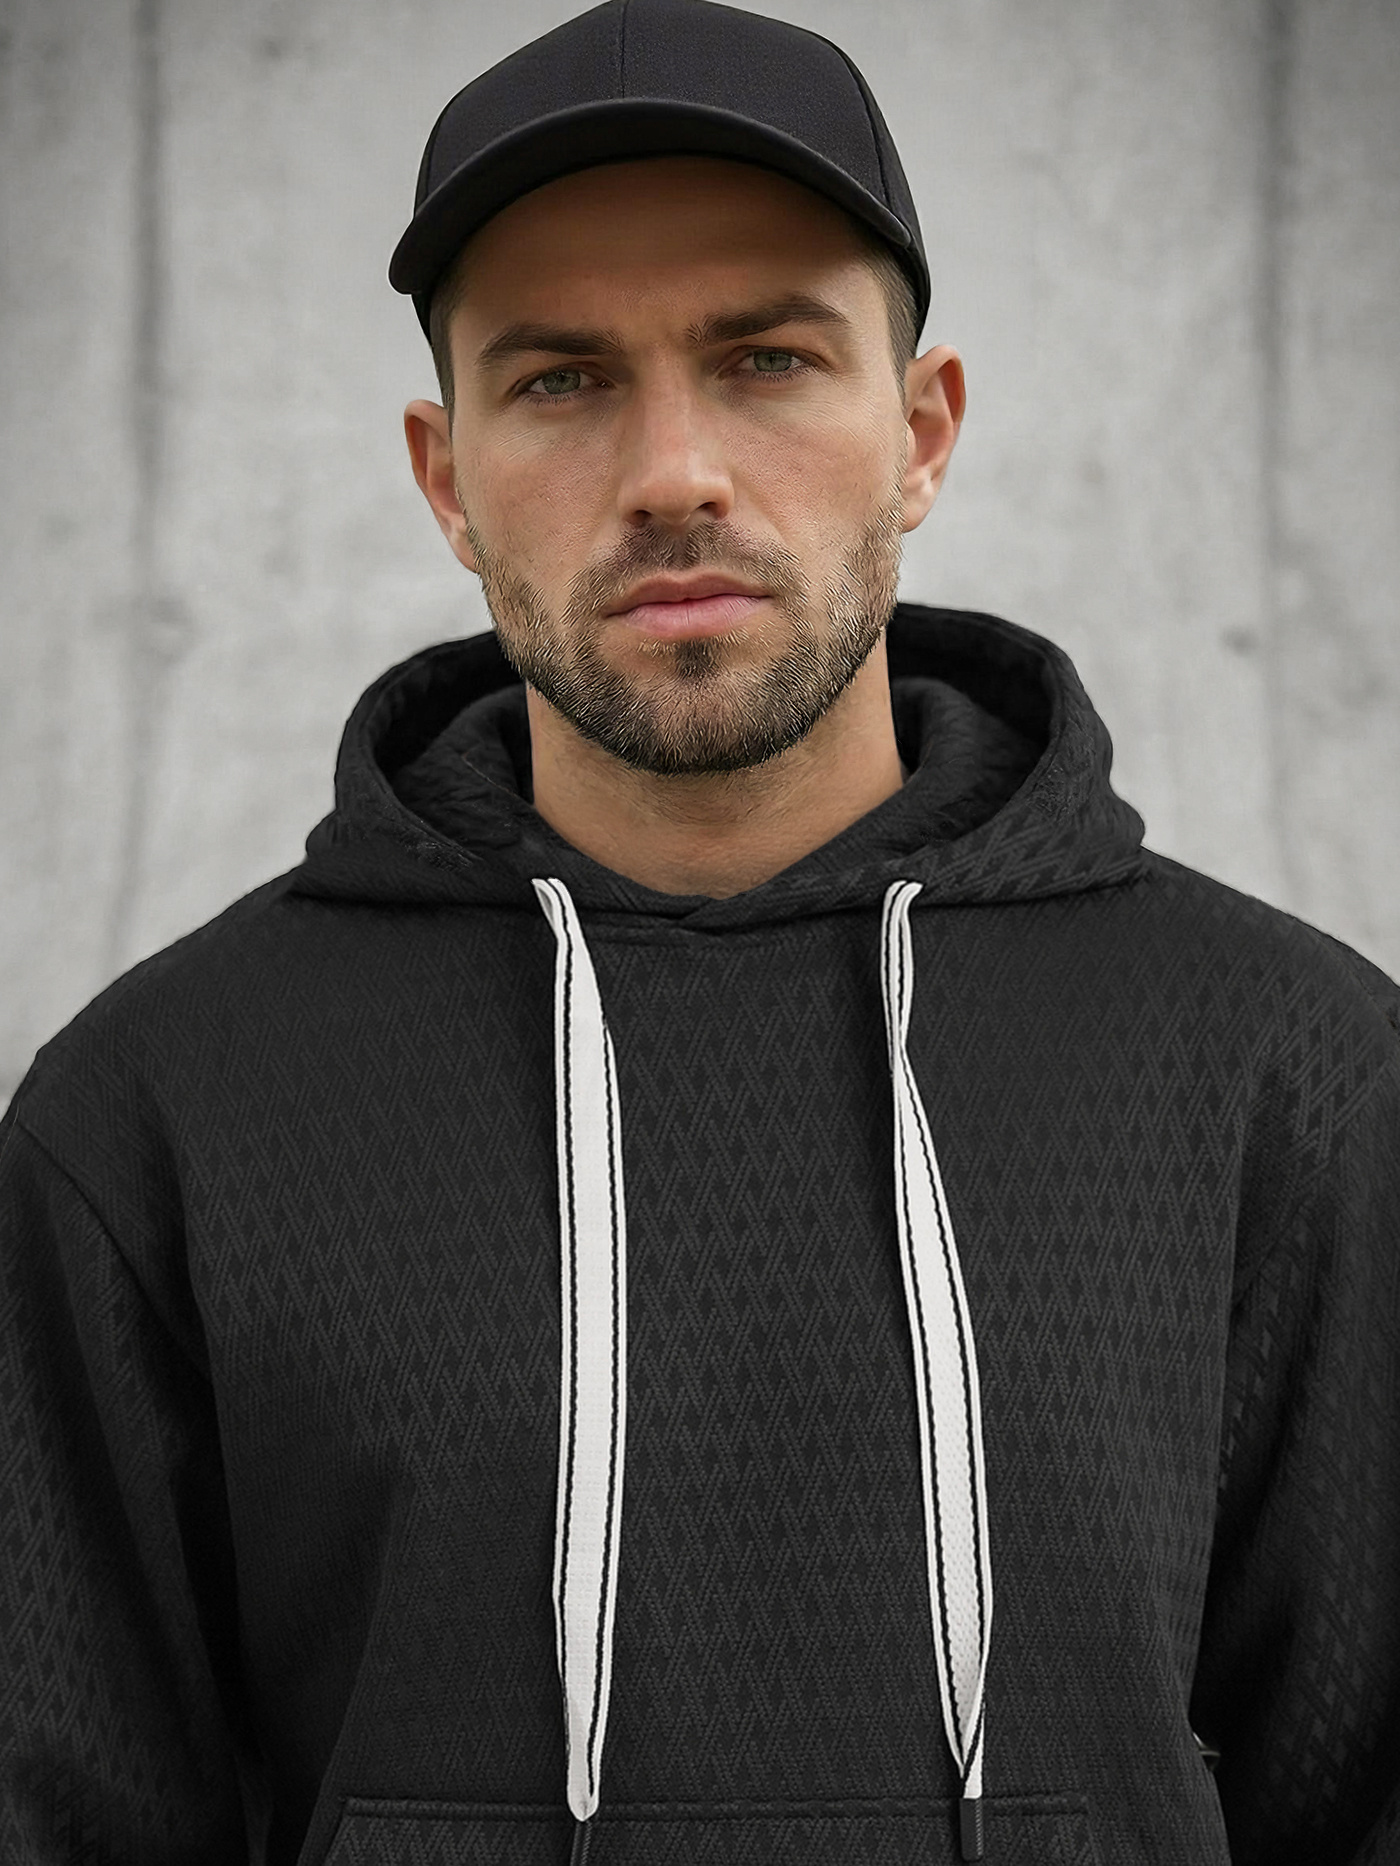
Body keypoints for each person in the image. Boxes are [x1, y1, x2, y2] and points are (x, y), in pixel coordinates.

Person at [2, 0, 1397, 1860]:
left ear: (921, 432)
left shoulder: (1289, 1071)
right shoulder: (159, 1109)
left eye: (767, 358)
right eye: (561, 380)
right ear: (447, 477)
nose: (675, 470)